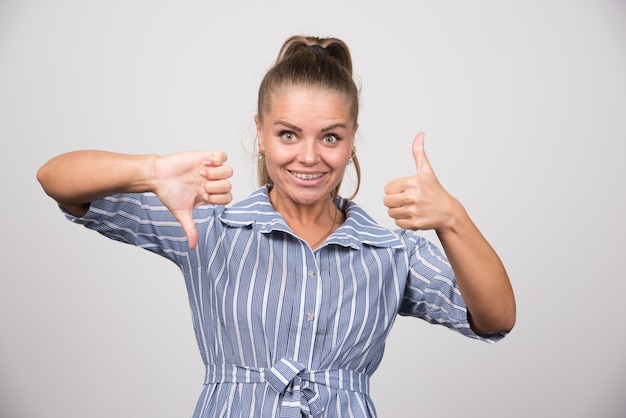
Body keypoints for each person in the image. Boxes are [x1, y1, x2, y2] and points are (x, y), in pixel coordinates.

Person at [37, 35, 516, 418]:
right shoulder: (210, 223)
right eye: (288, 134)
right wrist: (149, 171)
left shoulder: (391, 250)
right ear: (261, 135)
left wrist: (453, 217)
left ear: (351, 141)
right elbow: (56, 179)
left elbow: (496, 317)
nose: (309, 156)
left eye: (330, 136)